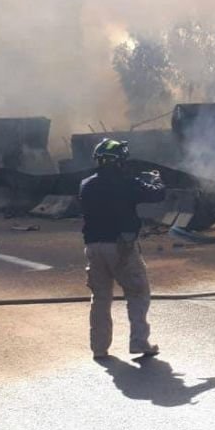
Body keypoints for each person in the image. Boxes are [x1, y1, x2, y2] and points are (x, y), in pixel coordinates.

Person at [79, 138, 167, 359]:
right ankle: (139, 342)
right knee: (137, 293)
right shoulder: (127, 183)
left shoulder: (86, 185)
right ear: (119, 161)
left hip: (93, 248)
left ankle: (99, 348)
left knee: (100, 298)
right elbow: (156, 194)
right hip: (121, 247)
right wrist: (155, 180)